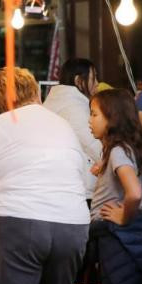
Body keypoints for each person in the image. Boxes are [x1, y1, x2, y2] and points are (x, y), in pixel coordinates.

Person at [0, 67, 90, 284]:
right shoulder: (63, 125)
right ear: (36, 92)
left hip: (16, 223)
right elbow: (81, 180)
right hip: (72, 226)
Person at [88, 89, 142, 284]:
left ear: (112, 118)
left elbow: (134, 193)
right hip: (117, 236)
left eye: (94, 114)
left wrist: (123, 216)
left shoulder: (117, 151)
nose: (89, 121)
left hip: (116, 236)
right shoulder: (121, 150)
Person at [43, 58, 101, 203]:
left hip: (59, 184)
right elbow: (94, 146)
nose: (97, 83)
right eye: (94, 78)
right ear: (78, 81)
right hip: (80, 189)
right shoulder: (73, 107)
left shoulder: (57, 101)